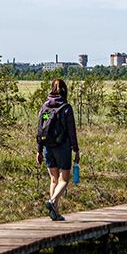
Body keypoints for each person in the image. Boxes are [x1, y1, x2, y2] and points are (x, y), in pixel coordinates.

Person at [35, 79, 79, 221]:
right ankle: (53, 202)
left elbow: (41, 127)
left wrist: (39, 150)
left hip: (48, 146)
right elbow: (71, 131)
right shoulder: (66, 108)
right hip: (63, 147)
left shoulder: (45, 108)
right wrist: (76, 150)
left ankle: (55, 212)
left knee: (54, 180)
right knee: (64, 180)